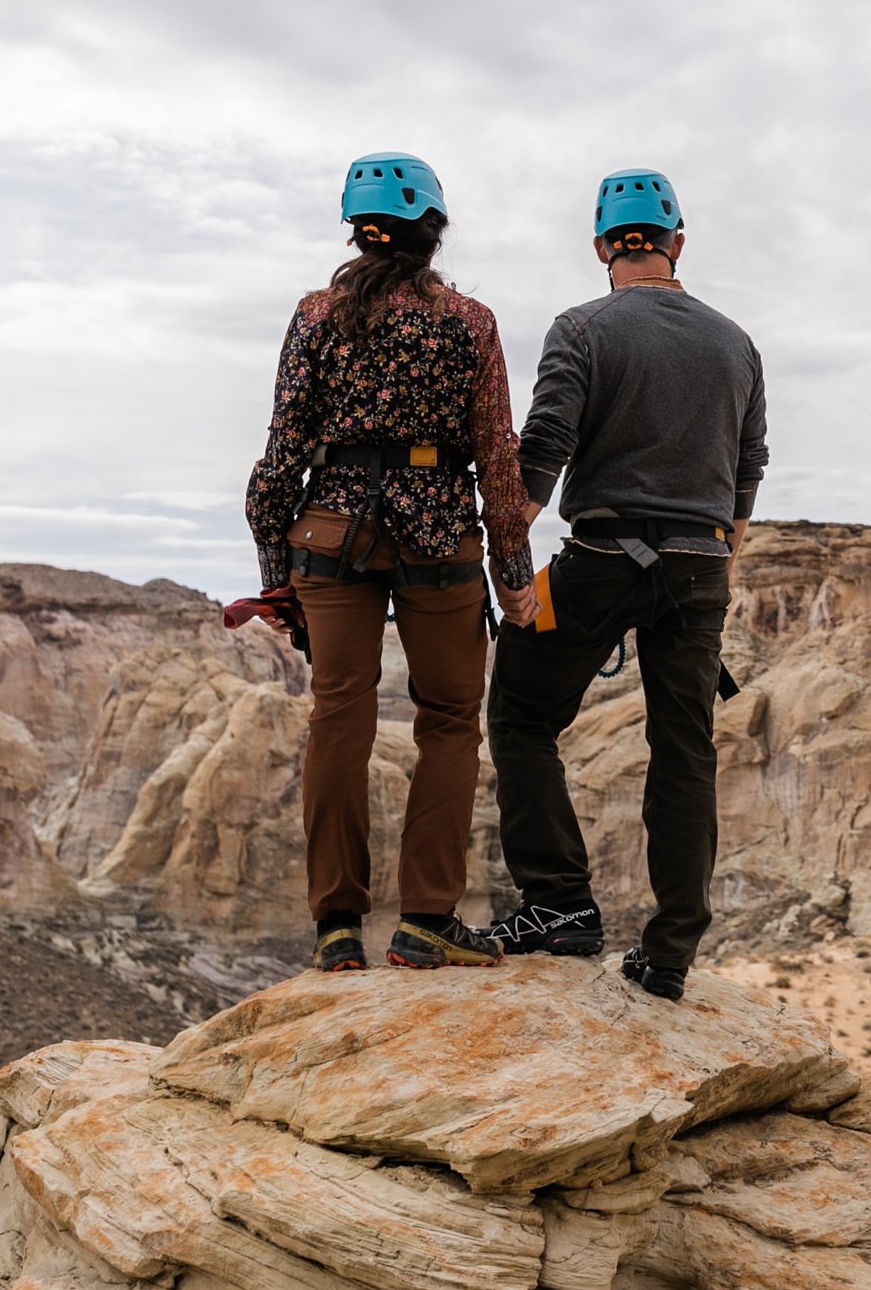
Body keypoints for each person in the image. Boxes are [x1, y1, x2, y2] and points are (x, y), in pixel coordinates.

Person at [245, 151, 541, 975]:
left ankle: (337, 927)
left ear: (356, 230)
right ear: (433, 232)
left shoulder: (314, 315)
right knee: (448, 718)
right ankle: (426, 920)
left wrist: (276, 568)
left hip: (330, 533)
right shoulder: (468, 321)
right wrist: (515, 578)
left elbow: (281, 455)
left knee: (339, 714)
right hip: (438, 533)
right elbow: (497, 457)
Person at [485, 169, 767, 1000]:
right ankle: (671, 951)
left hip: (601, 561)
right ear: (677, 242)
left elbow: (541, 453)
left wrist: (511, 571)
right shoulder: (736, 343)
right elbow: (748, 467)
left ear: (605, 246)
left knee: (523, 714)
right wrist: (726, 560)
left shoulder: (581, 328)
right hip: (700, 565)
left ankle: (559, 904)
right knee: (684, 752)